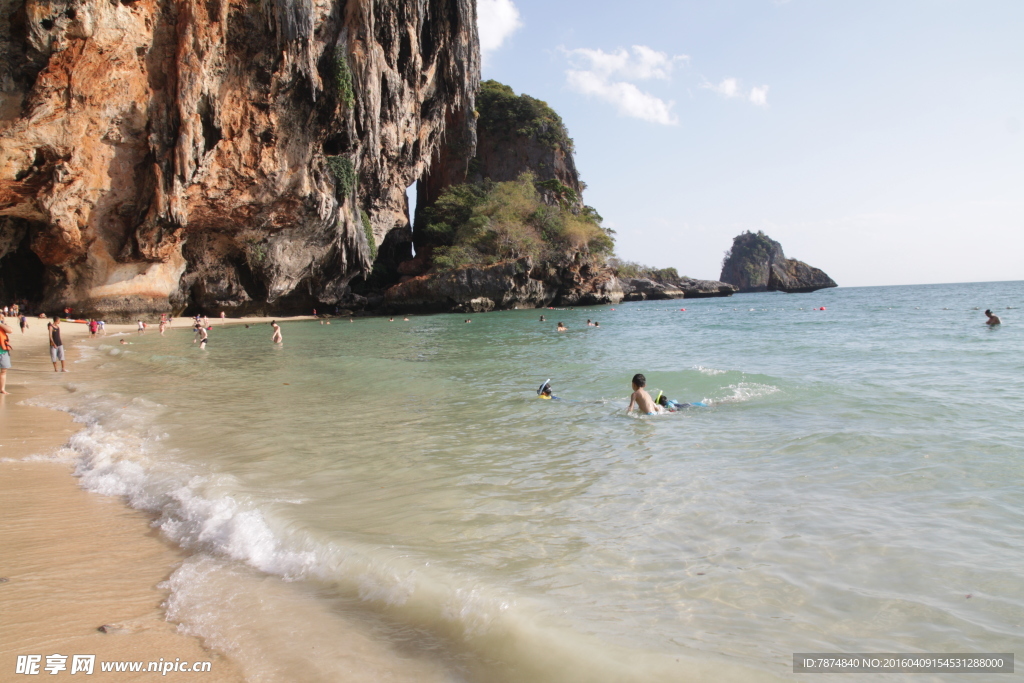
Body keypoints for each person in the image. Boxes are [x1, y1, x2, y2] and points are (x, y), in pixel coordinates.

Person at [0, 318, 13, 394]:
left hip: (3, 351)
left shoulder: (2, 326)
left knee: (3, 371)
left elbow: (10, 330)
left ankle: (2, 389)